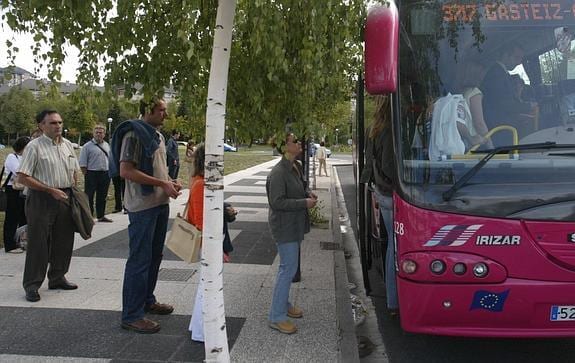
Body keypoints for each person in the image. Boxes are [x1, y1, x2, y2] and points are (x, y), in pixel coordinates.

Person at [109, 98, 182, 334]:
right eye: (161, 110)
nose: (165, 114)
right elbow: (126, 171)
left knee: (154, 257)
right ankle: (131, 315)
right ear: (147, 111)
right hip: (142, 207)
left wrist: (169, 182)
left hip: (159, 203)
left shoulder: (157, 136)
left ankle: (147, 301)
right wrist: (162, 182)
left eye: (165, 110)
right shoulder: (134, 134)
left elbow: (159, 168)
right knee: (140, 260)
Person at [17, 109, 80, 302]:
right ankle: (32, 285)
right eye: (53, 123)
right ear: (41, 126)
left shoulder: (68, 145)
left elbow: (75, 169)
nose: (58, 126)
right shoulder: (34, 147)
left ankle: (57, 277)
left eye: (60, 122)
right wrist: (49, 190)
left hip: (64, 197)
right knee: (38, 243)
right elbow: (23, 177)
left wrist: (73, 182)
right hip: (41, 199)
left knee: (64, 240)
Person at [266, 133, 318, 335]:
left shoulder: (294, 166)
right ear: (285, 147)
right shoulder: (278, 172)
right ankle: (276, 316)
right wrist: (304, 203)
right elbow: (277, 202)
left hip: (293, 225)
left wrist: (307, 194)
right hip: (284, 226)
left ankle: (284, 304)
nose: (299, 143)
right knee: (287, 269)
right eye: (295, 141)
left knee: (288, 268)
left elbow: (298, 189)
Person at [187, 144, 235, 341]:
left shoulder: (203, 182)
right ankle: (201, 331)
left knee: (206, 286)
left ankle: (198, 327)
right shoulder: (200, 185)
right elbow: (201, 223)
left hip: (211, 242)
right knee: (207, 287)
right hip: (208, 244)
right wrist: (215, 250)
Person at [359, 96, 399, 315]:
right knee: (396, 246)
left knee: (392, 244)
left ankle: (393, 300)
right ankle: (394, 301)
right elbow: (389, 165)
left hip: (380, 192)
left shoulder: (373, 128)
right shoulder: (391, 129)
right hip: (392, 195)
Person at [481, 45, 538, 141]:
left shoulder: (501, 73)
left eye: (521, 58)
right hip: (500, 128)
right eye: (516, 57)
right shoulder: (496, 74)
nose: (519, 62)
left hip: (503, 126)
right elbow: (503, 104)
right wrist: (528, 106)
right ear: (505, 55)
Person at [79, 125, 113, 222]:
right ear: (93, 133)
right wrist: (86, 175)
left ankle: (101, 215)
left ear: (104, 134)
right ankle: (89, 217)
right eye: (96, 132)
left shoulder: (107, 145)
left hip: (105, 173)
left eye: (101, 132)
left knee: (102, 196)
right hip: (92, 173)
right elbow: (82, 163)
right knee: (89, 196)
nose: (98, 134)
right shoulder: (87, 146)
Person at [455, 60, 493, 149]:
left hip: (462, 141)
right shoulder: (474, 92)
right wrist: (490, 145)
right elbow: (479, 123)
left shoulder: (460, 92)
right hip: (475, 143)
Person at [3, 136, 30, 253]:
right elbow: (20, 172)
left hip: (24, 190)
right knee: (12, 217)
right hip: (13, 190)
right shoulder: (12, 157)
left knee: (24, 217)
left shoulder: (26, 158)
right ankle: (9, 244)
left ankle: (23, 241)